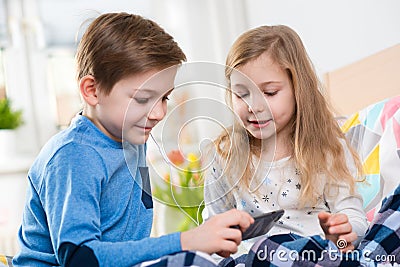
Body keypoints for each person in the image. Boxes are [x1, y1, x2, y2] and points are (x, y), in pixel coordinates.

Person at [13, 12, 254, 267]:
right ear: (92, 91)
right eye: (142, 99)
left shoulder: (133, 140)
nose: (159, 113)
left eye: (164, 98)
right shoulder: (73, 155)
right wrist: (186, 241)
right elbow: (81, 259)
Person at [202, 24, 369, 260]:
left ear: (298, 89)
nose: (254, 106)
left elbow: (352, 214)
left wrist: (343, 234)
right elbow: (214, 226)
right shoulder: (224, 155)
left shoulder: (326, 147)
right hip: (257, 259)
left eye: (269, 93)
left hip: (316, 253)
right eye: (241, 93)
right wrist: (217, 247)